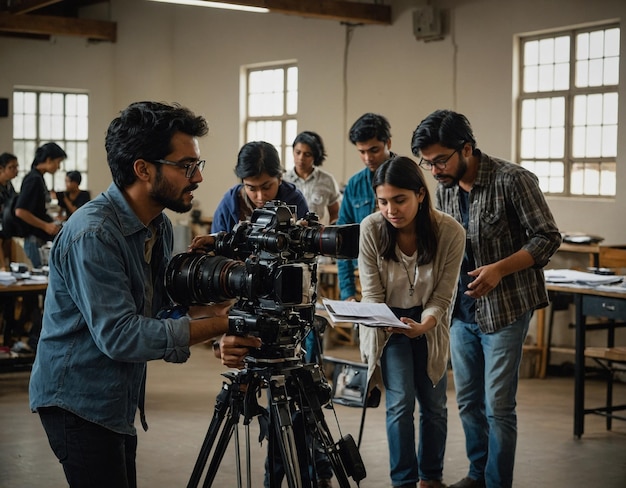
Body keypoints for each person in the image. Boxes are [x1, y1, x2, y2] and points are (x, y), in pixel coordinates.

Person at [28, 101, 261, 488]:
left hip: (116, 400)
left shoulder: (158, 226)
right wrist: (223, 322)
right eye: (187, 166)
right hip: (76, 402)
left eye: (197, 165)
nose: (198, 178)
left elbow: (160, 314)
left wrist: (217, 328)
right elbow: (121, 335)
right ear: (143, 168)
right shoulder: (94, 233)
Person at [411, 109, 561, 488]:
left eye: (441, 160)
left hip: (506, 310)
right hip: (461, 313)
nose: (435, 170)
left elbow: (546, 237)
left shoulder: (513, 180)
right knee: (468, 402)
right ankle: (478, 474)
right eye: (426, 163)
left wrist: (499, 269)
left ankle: (497, 483)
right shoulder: (443, 189)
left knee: (499, 407)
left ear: (466, 149)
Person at [358, 156, 465, 488]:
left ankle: (430, 478)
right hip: (387, 323)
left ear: (420, 194)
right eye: (383, 201)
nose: (391, 209)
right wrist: (388, 321)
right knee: (400, 404)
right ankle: (403, 481)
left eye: (400, 199)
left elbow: (443, 296)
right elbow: (372, 294)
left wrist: (424, 325)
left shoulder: (450, 231)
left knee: (434, 405)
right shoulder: (372, 228)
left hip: (429, 323)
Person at [336, 113, 394, 301]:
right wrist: (348, 293)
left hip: (403, 278)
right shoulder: (354, 184)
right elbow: (342, 239)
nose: (368, 157)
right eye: (361, 152)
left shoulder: (408, 176)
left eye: (374, 150)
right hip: (364, 278)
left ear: (388, 143)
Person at [211, 140, 309, 233]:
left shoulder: (295, 201)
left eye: (266, 187)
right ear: (242, 182)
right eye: (251, 188)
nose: (260, 197)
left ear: (279, 178)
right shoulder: (229, 205)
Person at [15, 142, 65, 269]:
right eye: (58, 162)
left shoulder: (39, 178)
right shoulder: (33, 179)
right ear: (49, 160)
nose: (58, 167)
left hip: (38, 239)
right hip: (34, 240)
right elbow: (20, 211)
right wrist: (46, 226)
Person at [284, 131, 341, 225]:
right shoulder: (284, 180)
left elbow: (335, 212)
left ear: (315, 156)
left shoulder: (327, 180)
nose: (301, 158)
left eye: (307, 154)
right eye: (298, 152)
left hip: (317, 235)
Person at [0, 152, 19, 268]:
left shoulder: (9, 185)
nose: (16, 170)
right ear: (1, 168)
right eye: (12, 167)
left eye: (17, 167)